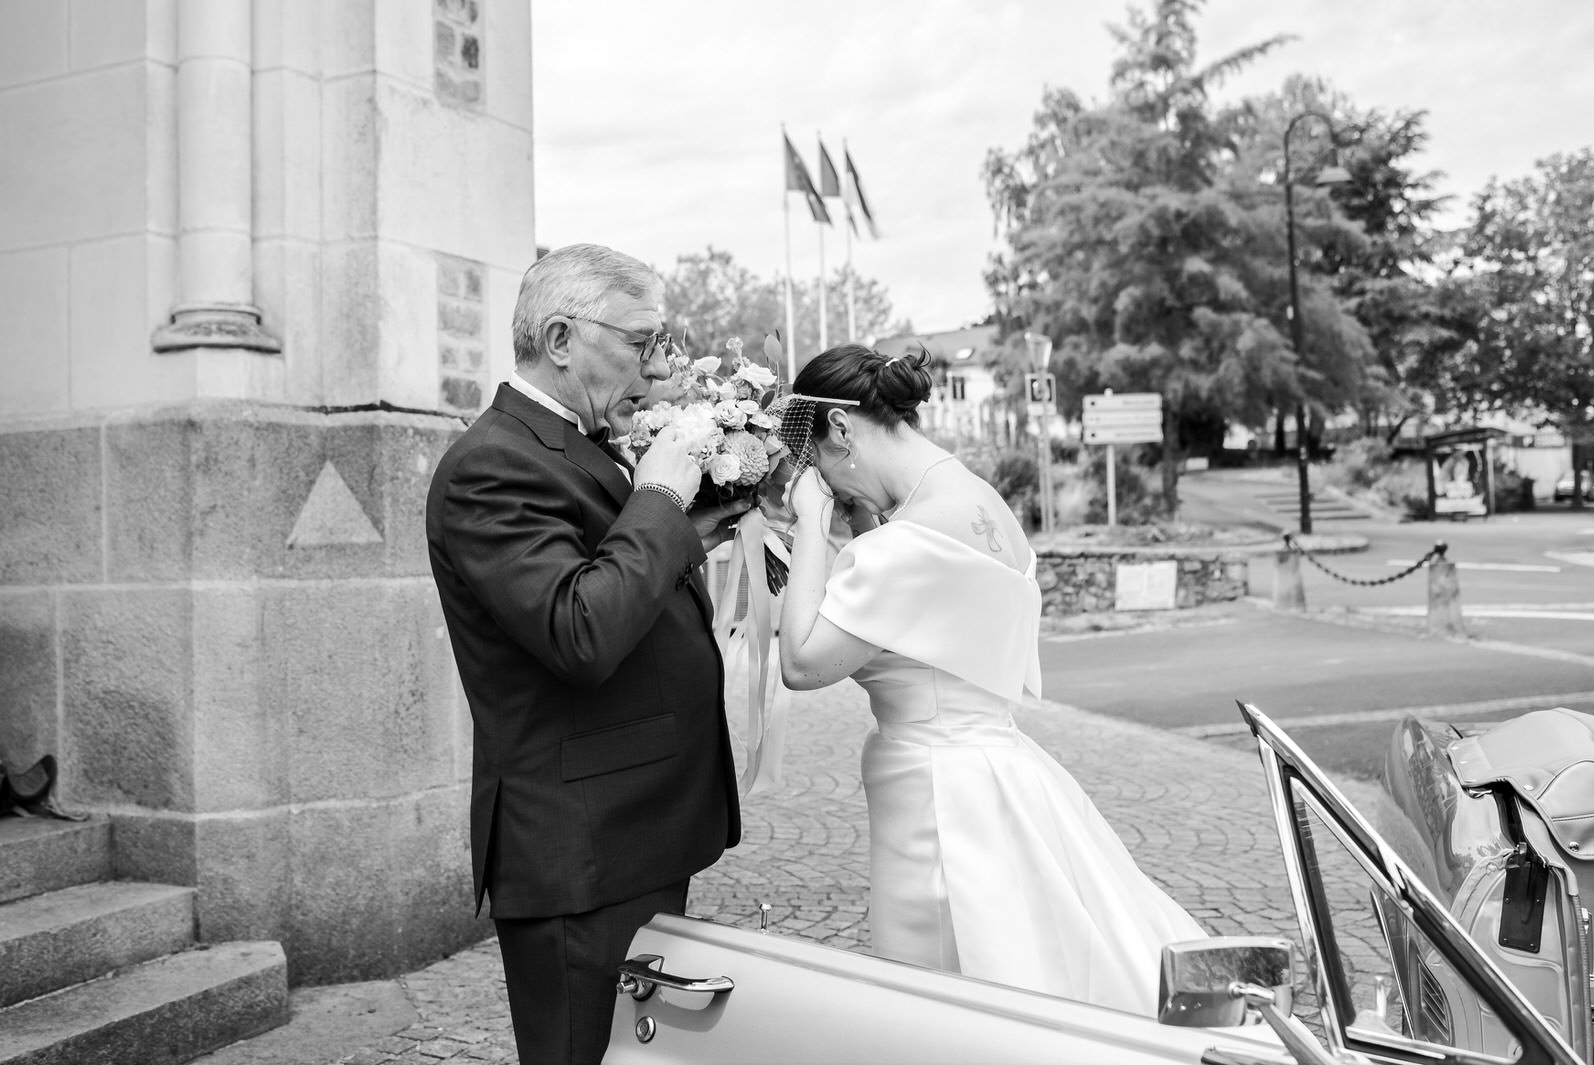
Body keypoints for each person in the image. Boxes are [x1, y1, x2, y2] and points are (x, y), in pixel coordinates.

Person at [775, 344, 1205, 1015]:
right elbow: (937, 623)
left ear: (839, 428)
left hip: (940, 801)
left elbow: (801, 660)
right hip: (1004, 772)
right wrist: (862, 527)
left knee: (953, 997)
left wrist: (807, 522)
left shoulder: (903, 547)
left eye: (819, 463)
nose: (828, 483)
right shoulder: (985, 507)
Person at [425, 243, 746, 1064]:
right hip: (579, 847)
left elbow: (610, 576)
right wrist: (661, 497)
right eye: (641, 342)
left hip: (635, 824)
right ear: (562, 338)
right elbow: (581, 630)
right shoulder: (489, 464)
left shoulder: (575, 439)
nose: (656, 364)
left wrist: (683, 531)